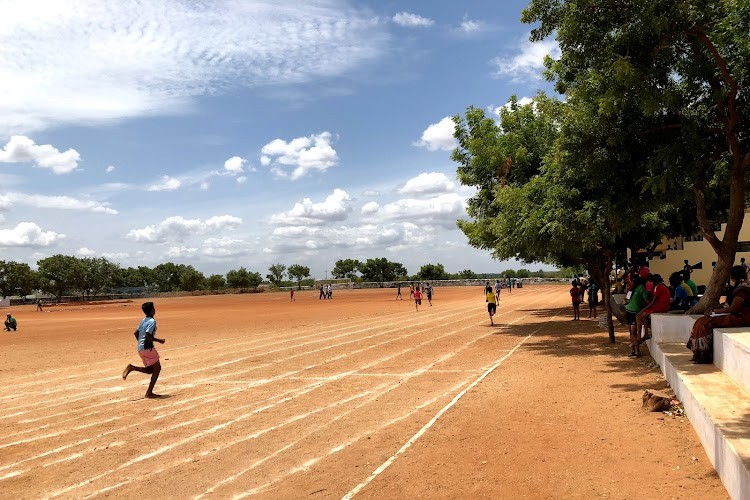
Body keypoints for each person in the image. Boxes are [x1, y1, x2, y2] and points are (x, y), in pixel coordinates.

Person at [687, 265, 750, 364]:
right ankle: (700, 353)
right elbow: (727, 304)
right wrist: (712, 309)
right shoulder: (739, 286)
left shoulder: (742, 288)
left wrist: (715, 312)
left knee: (705, 323)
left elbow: (734, 308)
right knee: (700, 321)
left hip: (742, 317)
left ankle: (703, 354)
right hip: (737, 315)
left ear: (733, 276)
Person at [122, 301, 166, 398]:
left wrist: (141, 343)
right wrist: (159, 340)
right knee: (157, 368)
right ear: (152, 310)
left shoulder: (143, 320)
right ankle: (149, 393)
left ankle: (132, 367)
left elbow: (136, 333)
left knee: (150, 370)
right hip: (147, 348)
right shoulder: (152, 321)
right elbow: (148, 336)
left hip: (141, 348)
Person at [636, 274, 671, 345]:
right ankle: (646, 334)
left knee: (638, 316)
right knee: (643, 316)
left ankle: (639, 337)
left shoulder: (658, 287)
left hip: (660, 307)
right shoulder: (663, 286)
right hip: (664, 306)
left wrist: (643, 309)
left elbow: (653, 302)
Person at [625, 276, 648, 358]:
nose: (629, 283)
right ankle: (633, 350)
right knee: (631, 332)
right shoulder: (631, 289)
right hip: (629, 311)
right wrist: (627, 291)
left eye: (631, 281)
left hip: (635, 312)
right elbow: (626, 299)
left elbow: (646, 300)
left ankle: (637, 351)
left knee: (634, 332)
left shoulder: (641, 289)